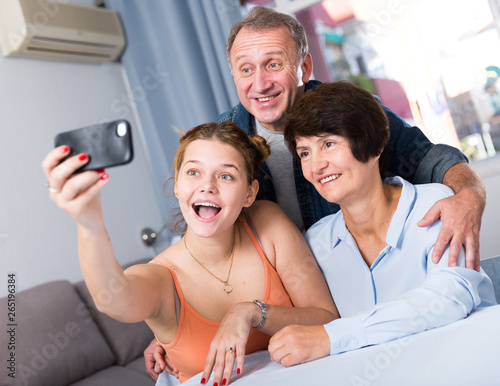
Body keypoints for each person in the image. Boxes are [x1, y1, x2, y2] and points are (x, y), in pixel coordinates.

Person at [147, 5, 486, 379]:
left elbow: (427, 158)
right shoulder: (225, 144)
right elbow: (210, 239)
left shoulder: (346, 113)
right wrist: (181, 328)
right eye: (246, 69)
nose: (259, 84)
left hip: (332, 315)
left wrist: (469, 194)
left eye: (273, 64)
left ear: (304, 68)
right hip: (295, 312)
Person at [42, 121, 338, 384]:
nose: (207, 186)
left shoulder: (267, 222)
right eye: (193, 172)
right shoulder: (162, 277)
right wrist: (89, 223)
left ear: (249, 193)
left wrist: (249, 313)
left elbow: (327, 319)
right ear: (177, 185)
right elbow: (112, 299)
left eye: (226, 176)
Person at [267, 81, 496, 366]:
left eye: (328, 144)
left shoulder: (435, 206)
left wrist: (331, 337)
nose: (315, 166)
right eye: (305, 153)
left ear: (374, 146)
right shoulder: (315, 243)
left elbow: (449, 297)